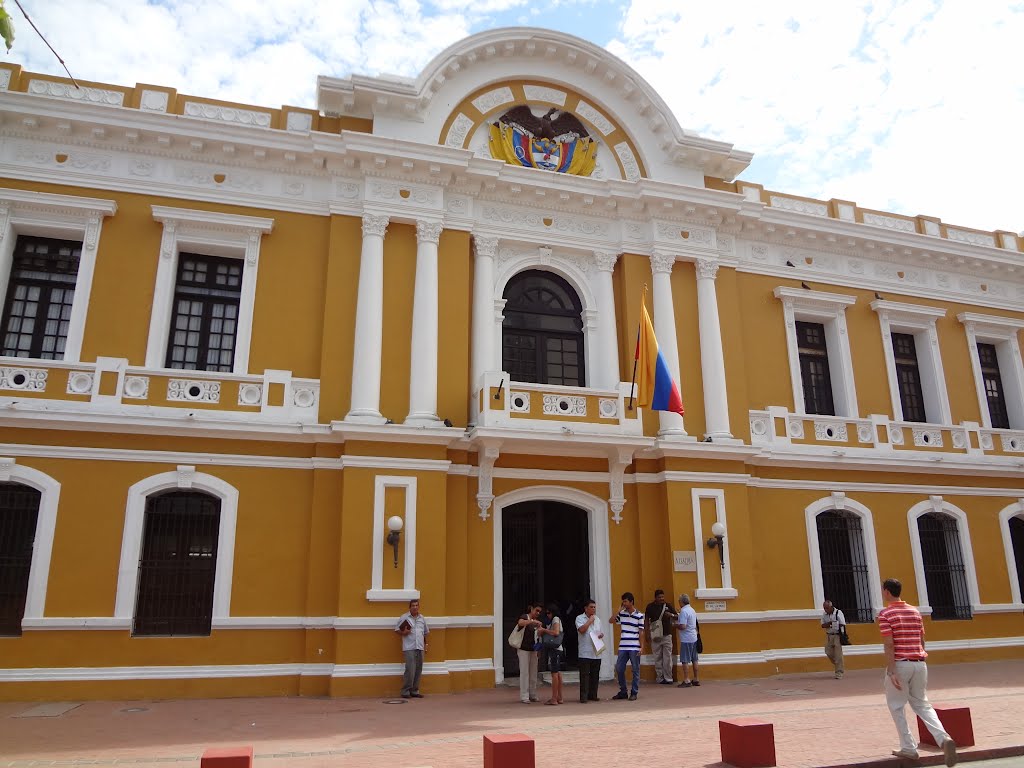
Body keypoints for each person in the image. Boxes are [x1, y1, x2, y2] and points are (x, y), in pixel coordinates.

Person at [878, 578, 958, 767]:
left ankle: (908, 747)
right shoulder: (915, 612)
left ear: (887, 592)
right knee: (922, 704)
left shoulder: (886, 614)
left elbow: (889, 644)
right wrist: (920, 657)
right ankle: (943, 737)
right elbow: (922, 640)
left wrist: (892, 670)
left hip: (901, 663)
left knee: (897, 705)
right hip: (919, 663)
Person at [610, 592, 644, 700]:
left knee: (635, 669)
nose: (624, 603)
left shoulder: (639, 615)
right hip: (623, 646)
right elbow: (611, 621)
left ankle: (634, 692)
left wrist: (641, 647)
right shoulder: (622, 614)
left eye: (625, 601)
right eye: (623, 601)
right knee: (619, 668)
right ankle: (623, 691)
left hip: (634, 646)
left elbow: (641, 631)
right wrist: (618, 610)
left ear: (631, 602)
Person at [395, 598, 429, 699]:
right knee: (410, 670)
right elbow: (396, 630)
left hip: (420, 647)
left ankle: (415, 691)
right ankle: (405, 691)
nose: (415, 607)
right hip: (409, 647)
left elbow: (425, 632)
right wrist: (403, 633)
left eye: (416, 605)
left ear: (418, 607)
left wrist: (426, 645)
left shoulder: (422, 618)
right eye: (413, 605)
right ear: (409, 607)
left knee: (418, 669)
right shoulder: (404, 617)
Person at [644, 589, 678, 684]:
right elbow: (646, 620)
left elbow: (677, 616)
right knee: (657, 657)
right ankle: (660, 677)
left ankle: (668, 677)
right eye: (659, 597)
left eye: (662, 597)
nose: (662, 599)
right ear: (655, 598)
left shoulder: (668, 606)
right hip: (655, 635)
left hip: (667, 635)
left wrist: (670, 615)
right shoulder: (650, 607)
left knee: (668, 657)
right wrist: (647, 633)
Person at [575, 599, 604, 702]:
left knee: (595, 675)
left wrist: (601, 635)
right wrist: (589, 621)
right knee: (584, 675)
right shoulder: (580, 618)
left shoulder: (598, 619)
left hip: (596, 651)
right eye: (591, 607)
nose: (593, 609)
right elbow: (582, 630)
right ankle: (584, 696)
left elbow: (600, 632)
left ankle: (593, 694)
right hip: (585, 651)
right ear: (586, 608)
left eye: (594, 607)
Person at [515, 602, 543, 703]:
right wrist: (531, 622)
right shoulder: (525, 617)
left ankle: (533, 694)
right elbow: (520, 623)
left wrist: (539, 649)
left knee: (533, 673)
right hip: (523, 649)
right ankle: (524, 696)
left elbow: (539, 637)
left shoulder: (538, 622)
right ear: (531, 609)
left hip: (533, 650)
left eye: (539, 611)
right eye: (537, 610)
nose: (538, 613)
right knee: (524, 672)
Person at [540, 603, 565, 705]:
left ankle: (554, 698)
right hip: (557, 649)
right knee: (557, 673)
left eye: (548, 613)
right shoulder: (555, 619)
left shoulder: (555, 619)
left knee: (554, 673)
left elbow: (556, 632)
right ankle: (559, 697)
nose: (548, 615)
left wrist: (544, 630)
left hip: (555, 649)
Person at [675, 594, 700, 687]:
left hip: (686, 638)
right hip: (693, 636)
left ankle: (686, 679)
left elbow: (683, 626)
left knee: (685, 660)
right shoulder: (692, 610)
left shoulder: (683, 611)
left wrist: (675, 625)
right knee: (694, 659)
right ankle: (696, 678)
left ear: (681, 602)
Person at [821, 599, 846, 679]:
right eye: (824, 608)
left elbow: (843, 623)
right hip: (829, 635)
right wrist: (829, 624)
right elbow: (822, 625)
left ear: (831, 607)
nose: (825, 610)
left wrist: (836, 624)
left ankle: (839, 672)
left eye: (827, 608)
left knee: (838, 654)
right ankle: (838, 663)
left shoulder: (838, 613)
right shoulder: (824, 615)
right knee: (828, 651)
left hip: (837, 635)